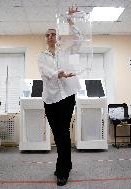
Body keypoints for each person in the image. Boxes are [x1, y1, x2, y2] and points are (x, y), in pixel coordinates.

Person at [37, 7, 81, 186]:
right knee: (58, 134)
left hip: (67, 96)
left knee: (63, 133)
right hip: (50, 99)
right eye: (47, 35)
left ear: (58, 37)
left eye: (53, 34)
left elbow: (79, 39)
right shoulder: (41, 56)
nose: (50, 37)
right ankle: (66, 163)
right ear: (45, 39)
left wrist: (71, 20)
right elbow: (46, 72)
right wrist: (59, 73)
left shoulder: (66, 51)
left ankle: (62, 171)